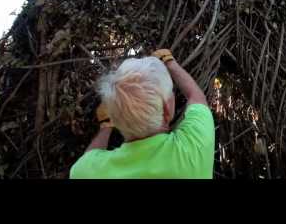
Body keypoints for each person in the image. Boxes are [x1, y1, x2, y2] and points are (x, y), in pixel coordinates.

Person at [69, 49, 215, 179]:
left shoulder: (85, 172)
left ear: (114, 117)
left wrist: (106, 127)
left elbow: (88, 160)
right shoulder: (192, 153)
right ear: (167, 109)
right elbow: (196, 97)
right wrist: (170, 62)